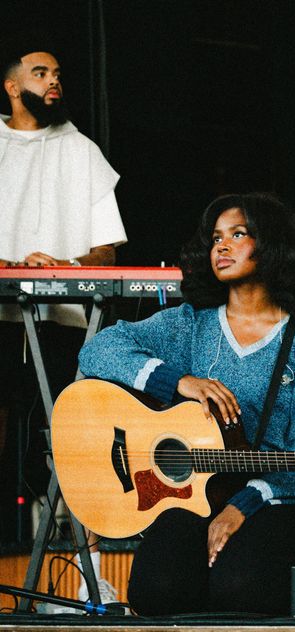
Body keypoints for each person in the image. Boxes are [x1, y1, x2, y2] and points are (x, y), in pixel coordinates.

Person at [78, 192, 295, 616]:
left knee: (242, 591)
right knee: (156, 592)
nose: (221, 246)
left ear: (273, 244)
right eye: (216, 238)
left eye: (238, 234)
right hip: (193, 490)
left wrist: (240, 507)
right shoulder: (191, 325)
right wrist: (177, 381)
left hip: (274, 495)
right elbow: (96, 351)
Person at [0, 34, 127, 604]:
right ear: (11, 85)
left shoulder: (83, 152)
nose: (54, 81)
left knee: (77, 437)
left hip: (65, 319)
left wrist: (61, 266)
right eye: (40, 71)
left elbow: (108, 254)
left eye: (58, 73)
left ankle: (90, 569)